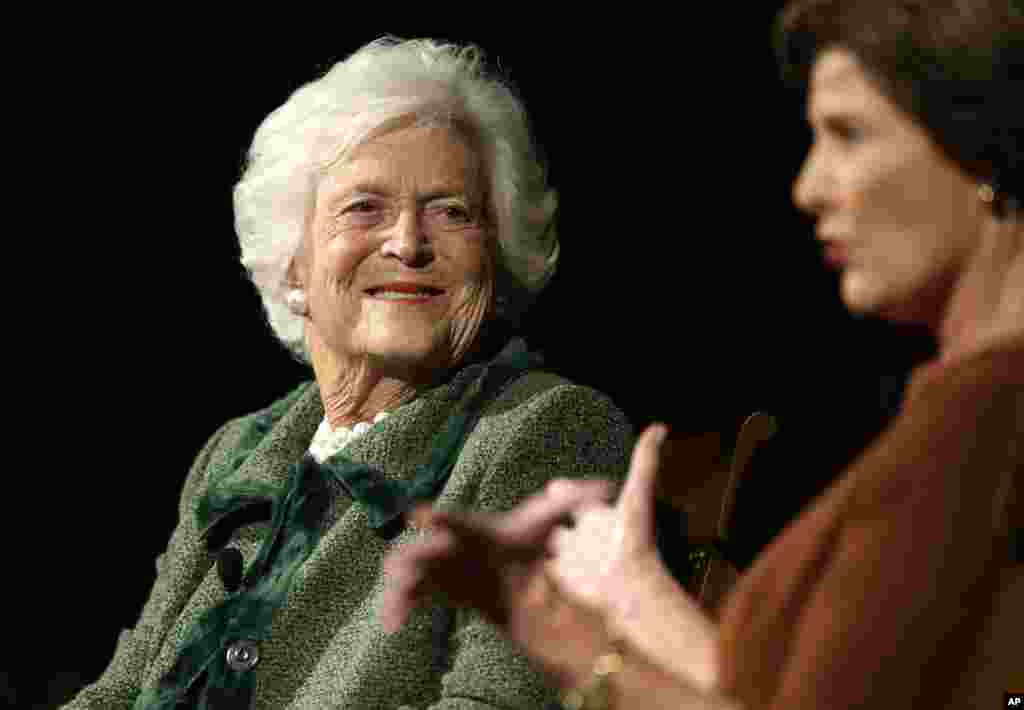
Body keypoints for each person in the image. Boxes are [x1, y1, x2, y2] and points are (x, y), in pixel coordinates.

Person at [380, 2, 1024, 708]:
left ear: (982, 141)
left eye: (849, 133)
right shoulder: (958, 411)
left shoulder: (986, 426)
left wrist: (558, 632)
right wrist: (635, 592)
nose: (808, 187)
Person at [64, 37, 633, 710]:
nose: (408, 243)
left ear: (497, 253)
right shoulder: (238, 451)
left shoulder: (546, 433)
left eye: (451, 212)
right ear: (293, 262)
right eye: (365, 208)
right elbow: (120, 691)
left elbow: (498, 703)